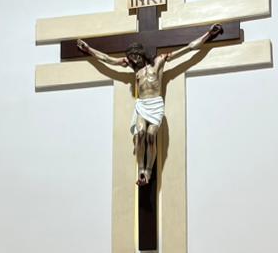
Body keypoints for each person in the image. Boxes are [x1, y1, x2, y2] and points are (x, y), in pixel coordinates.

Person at [76, 24, 222, 186]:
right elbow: (107, 59)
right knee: (140, 134)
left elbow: (188, 48)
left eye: (136, 55)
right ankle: (141, 171)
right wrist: (88, 49)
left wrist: (208, 34)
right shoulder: (134, 68)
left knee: (151, 135)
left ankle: (149, 171)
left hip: (156, 104)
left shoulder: (158, 62)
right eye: (131, 57)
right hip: (142, 104)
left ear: (141, 53)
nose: (134, 59)